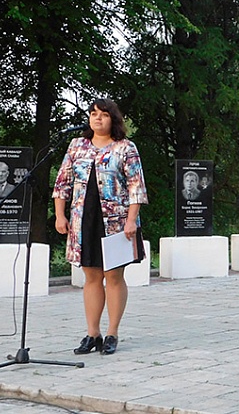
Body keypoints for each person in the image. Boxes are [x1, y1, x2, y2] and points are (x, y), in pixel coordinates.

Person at [53, 98, 148, 355]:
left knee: (114, 277)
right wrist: (60, 216)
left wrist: (131, 220)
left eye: (104, 115)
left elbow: (136, 188)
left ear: (113, 120)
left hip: (116, 222)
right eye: (93, 114)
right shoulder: (77, 146)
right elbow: (62, 183)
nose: (97, 118)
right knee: (91, 276)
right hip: (84, 219)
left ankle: (112, 333)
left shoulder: (125, 148)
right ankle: (92, 333)